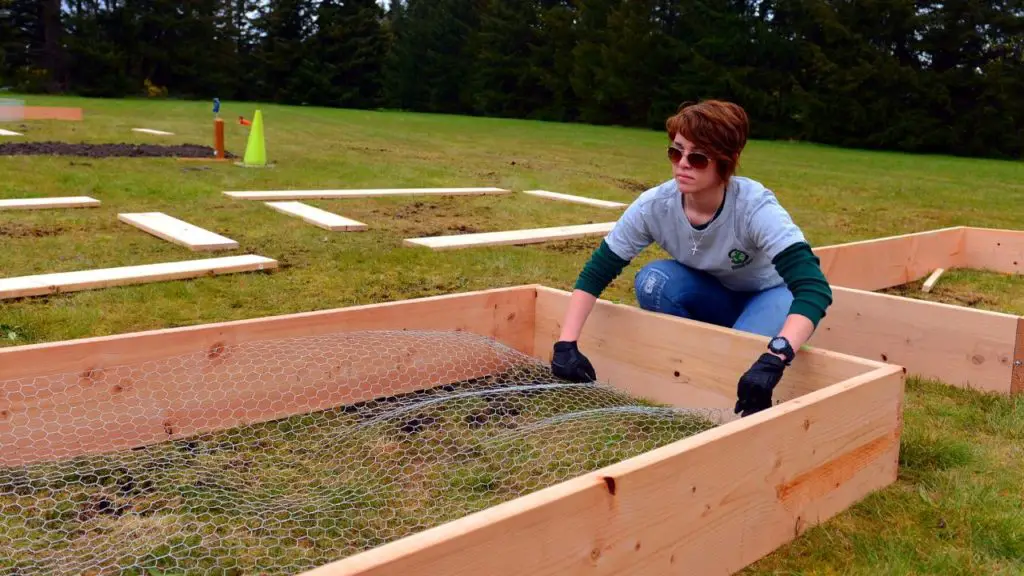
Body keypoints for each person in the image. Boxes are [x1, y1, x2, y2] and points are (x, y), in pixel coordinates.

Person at [550, 99, 833, 417]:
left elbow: (814, 288)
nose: (682, 163)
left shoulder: (755, 208)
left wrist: (775, 357)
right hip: (714, 292)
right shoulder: (654, 206)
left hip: (770, 293)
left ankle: (749, 342)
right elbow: (597, 271)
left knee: (740, 353)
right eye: (676, 151)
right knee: (653, 281)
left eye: (698, 158)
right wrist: (566, 344)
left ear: (728, 161)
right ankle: (694, 365)